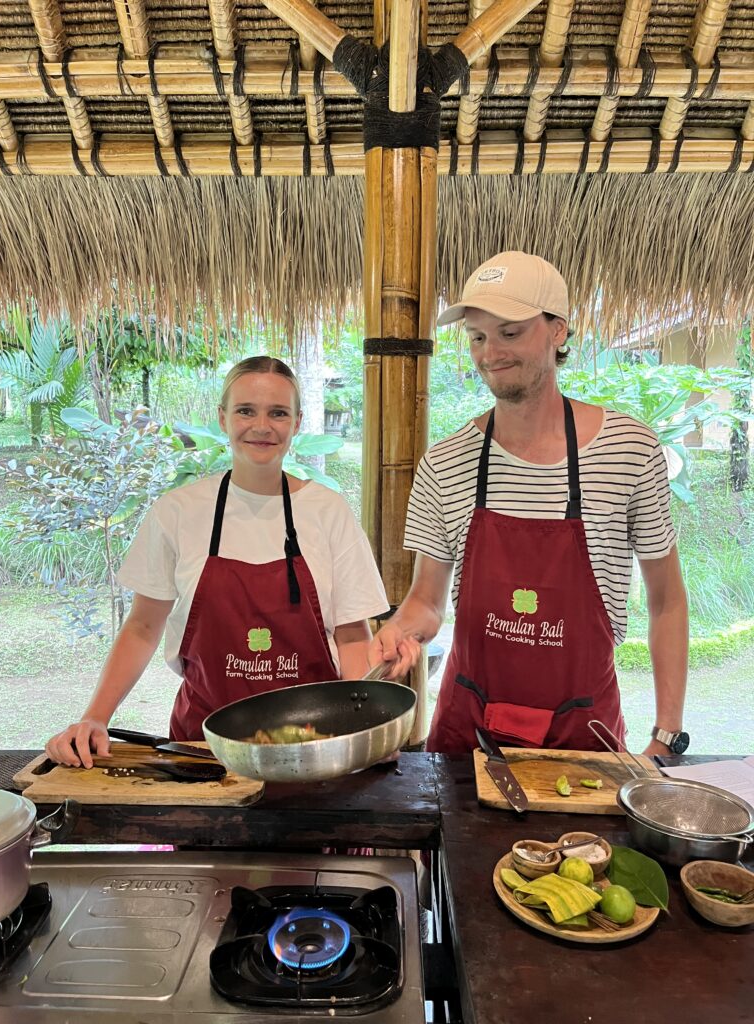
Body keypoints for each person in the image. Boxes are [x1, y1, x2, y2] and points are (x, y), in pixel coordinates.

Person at [370, 251, 689, 758]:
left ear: (558, 330)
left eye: (510, 332)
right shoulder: (445, 463)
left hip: (584, 734)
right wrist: (398, 632)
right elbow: (426, 601)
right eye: (477, 336)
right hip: (467, 738)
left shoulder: (629, 449)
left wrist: (667, 734)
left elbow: (667, 600)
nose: (490, 353)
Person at [46, 355, 389, 768]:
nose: (261, 426)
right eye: (246, 410)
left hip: (314, 748)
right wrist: (95, 717)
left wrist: (364, 727)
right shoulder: (178, 511)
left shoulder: (328, 512)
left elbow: (353, 637)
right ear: (223, 417)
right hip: (203, 749)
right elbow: (142, 627)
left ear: (297, 423)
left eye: (278, 413)